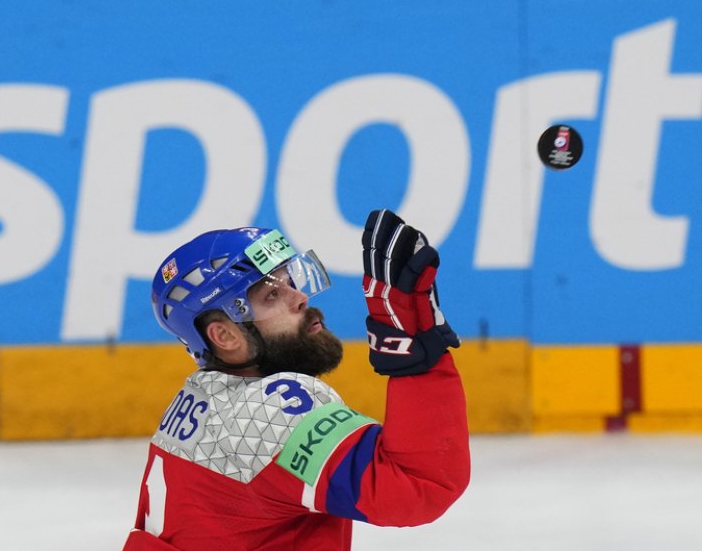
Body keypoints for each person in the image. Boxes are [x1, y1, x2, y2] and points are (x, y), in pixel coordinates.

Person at [123, 209, 470, 551]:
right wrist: (412, 344)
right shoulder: (268, 410)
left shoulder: (203, 397)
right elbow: (417, 486)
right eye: (271, 295)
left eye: (290, 282)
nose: (300, 298)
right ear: (225, 336)